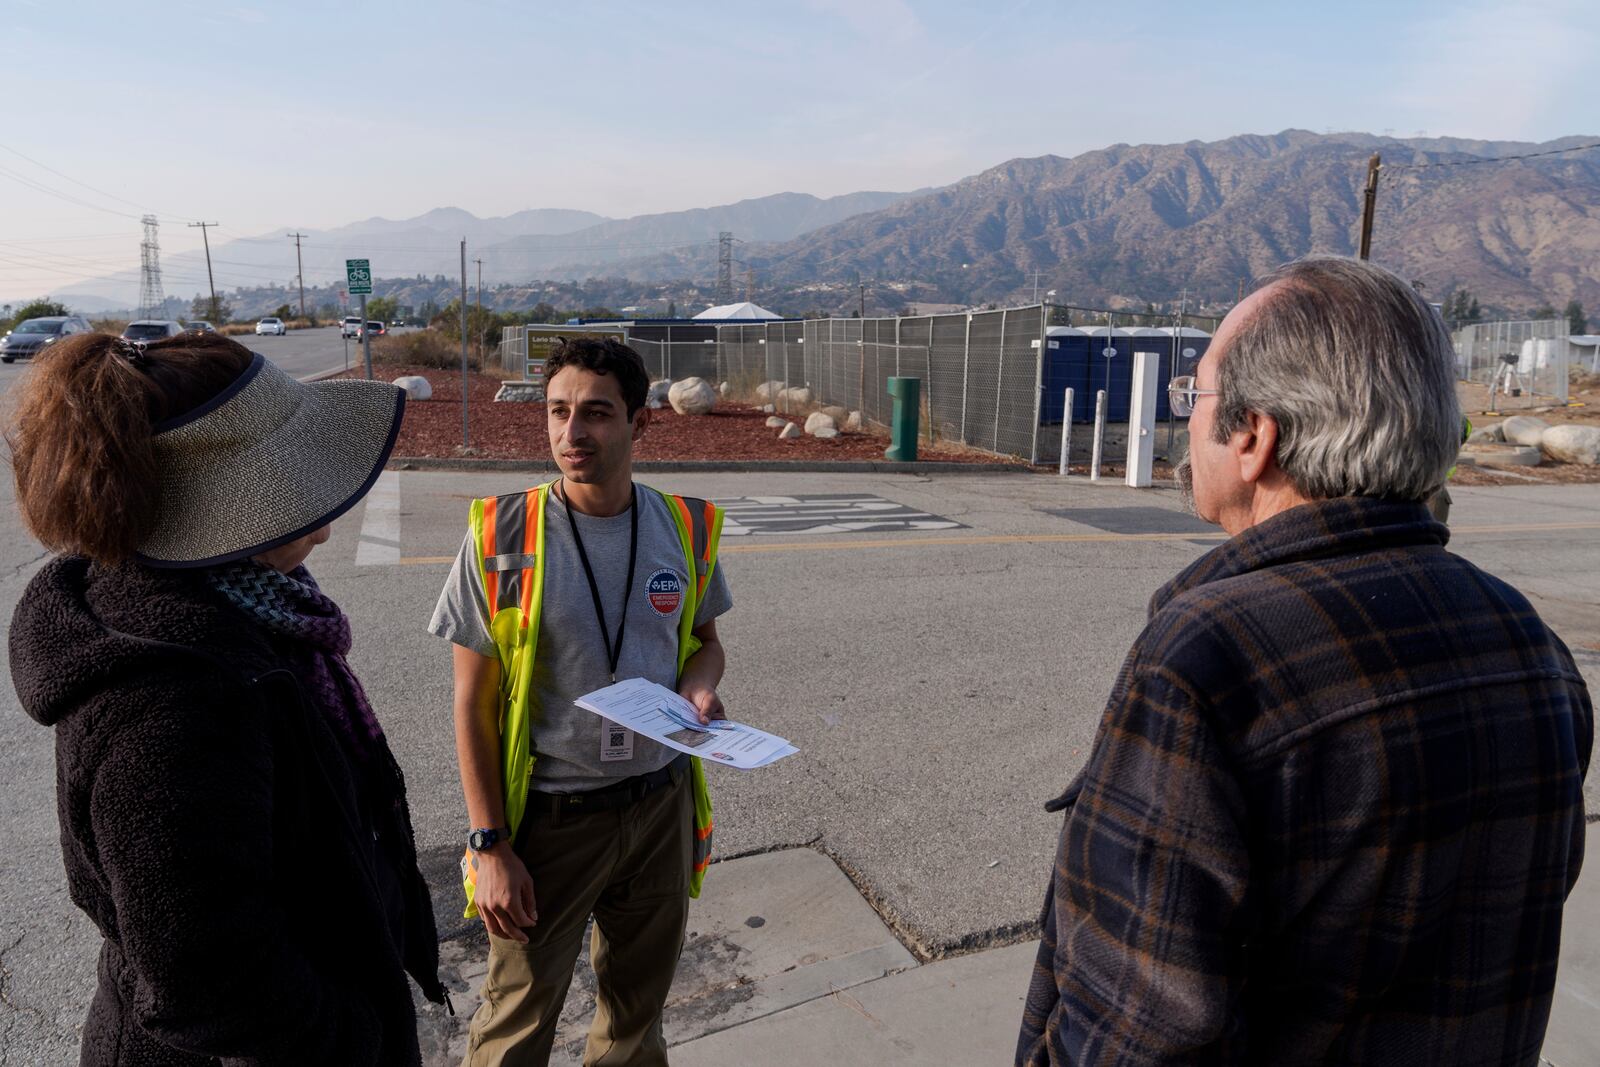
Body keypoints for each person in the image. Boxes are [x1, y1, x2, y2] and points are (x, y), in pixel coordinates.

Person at [1018, 256, 1592, 1066]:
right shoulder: (1535, 647)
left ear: (1254, 435)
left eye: (1197, 396)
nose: (1187, 418)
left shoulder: (1205, 662)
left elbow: (1135, 1029)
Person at [8, 332, 447, 1065]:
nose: (326, 524)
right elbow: (207, 980)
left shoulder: (240, 608)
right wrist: (358, 1040)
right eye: (292, 488)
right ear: (213, 508)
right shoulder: (174, 698)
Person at [429, 336, 732, 1066]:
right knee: (515, 1029)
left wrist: (699, 683)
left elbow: (705, 641)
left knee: (636, 1021)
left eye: (596, 413)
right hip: (550, 826)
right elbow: (472, 704)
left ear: (639, 422)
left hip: (658, 809)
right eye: (559, 412)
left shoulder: (685, 527)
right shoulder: (501, 535)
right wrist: (489, 844)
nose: (572, 433)